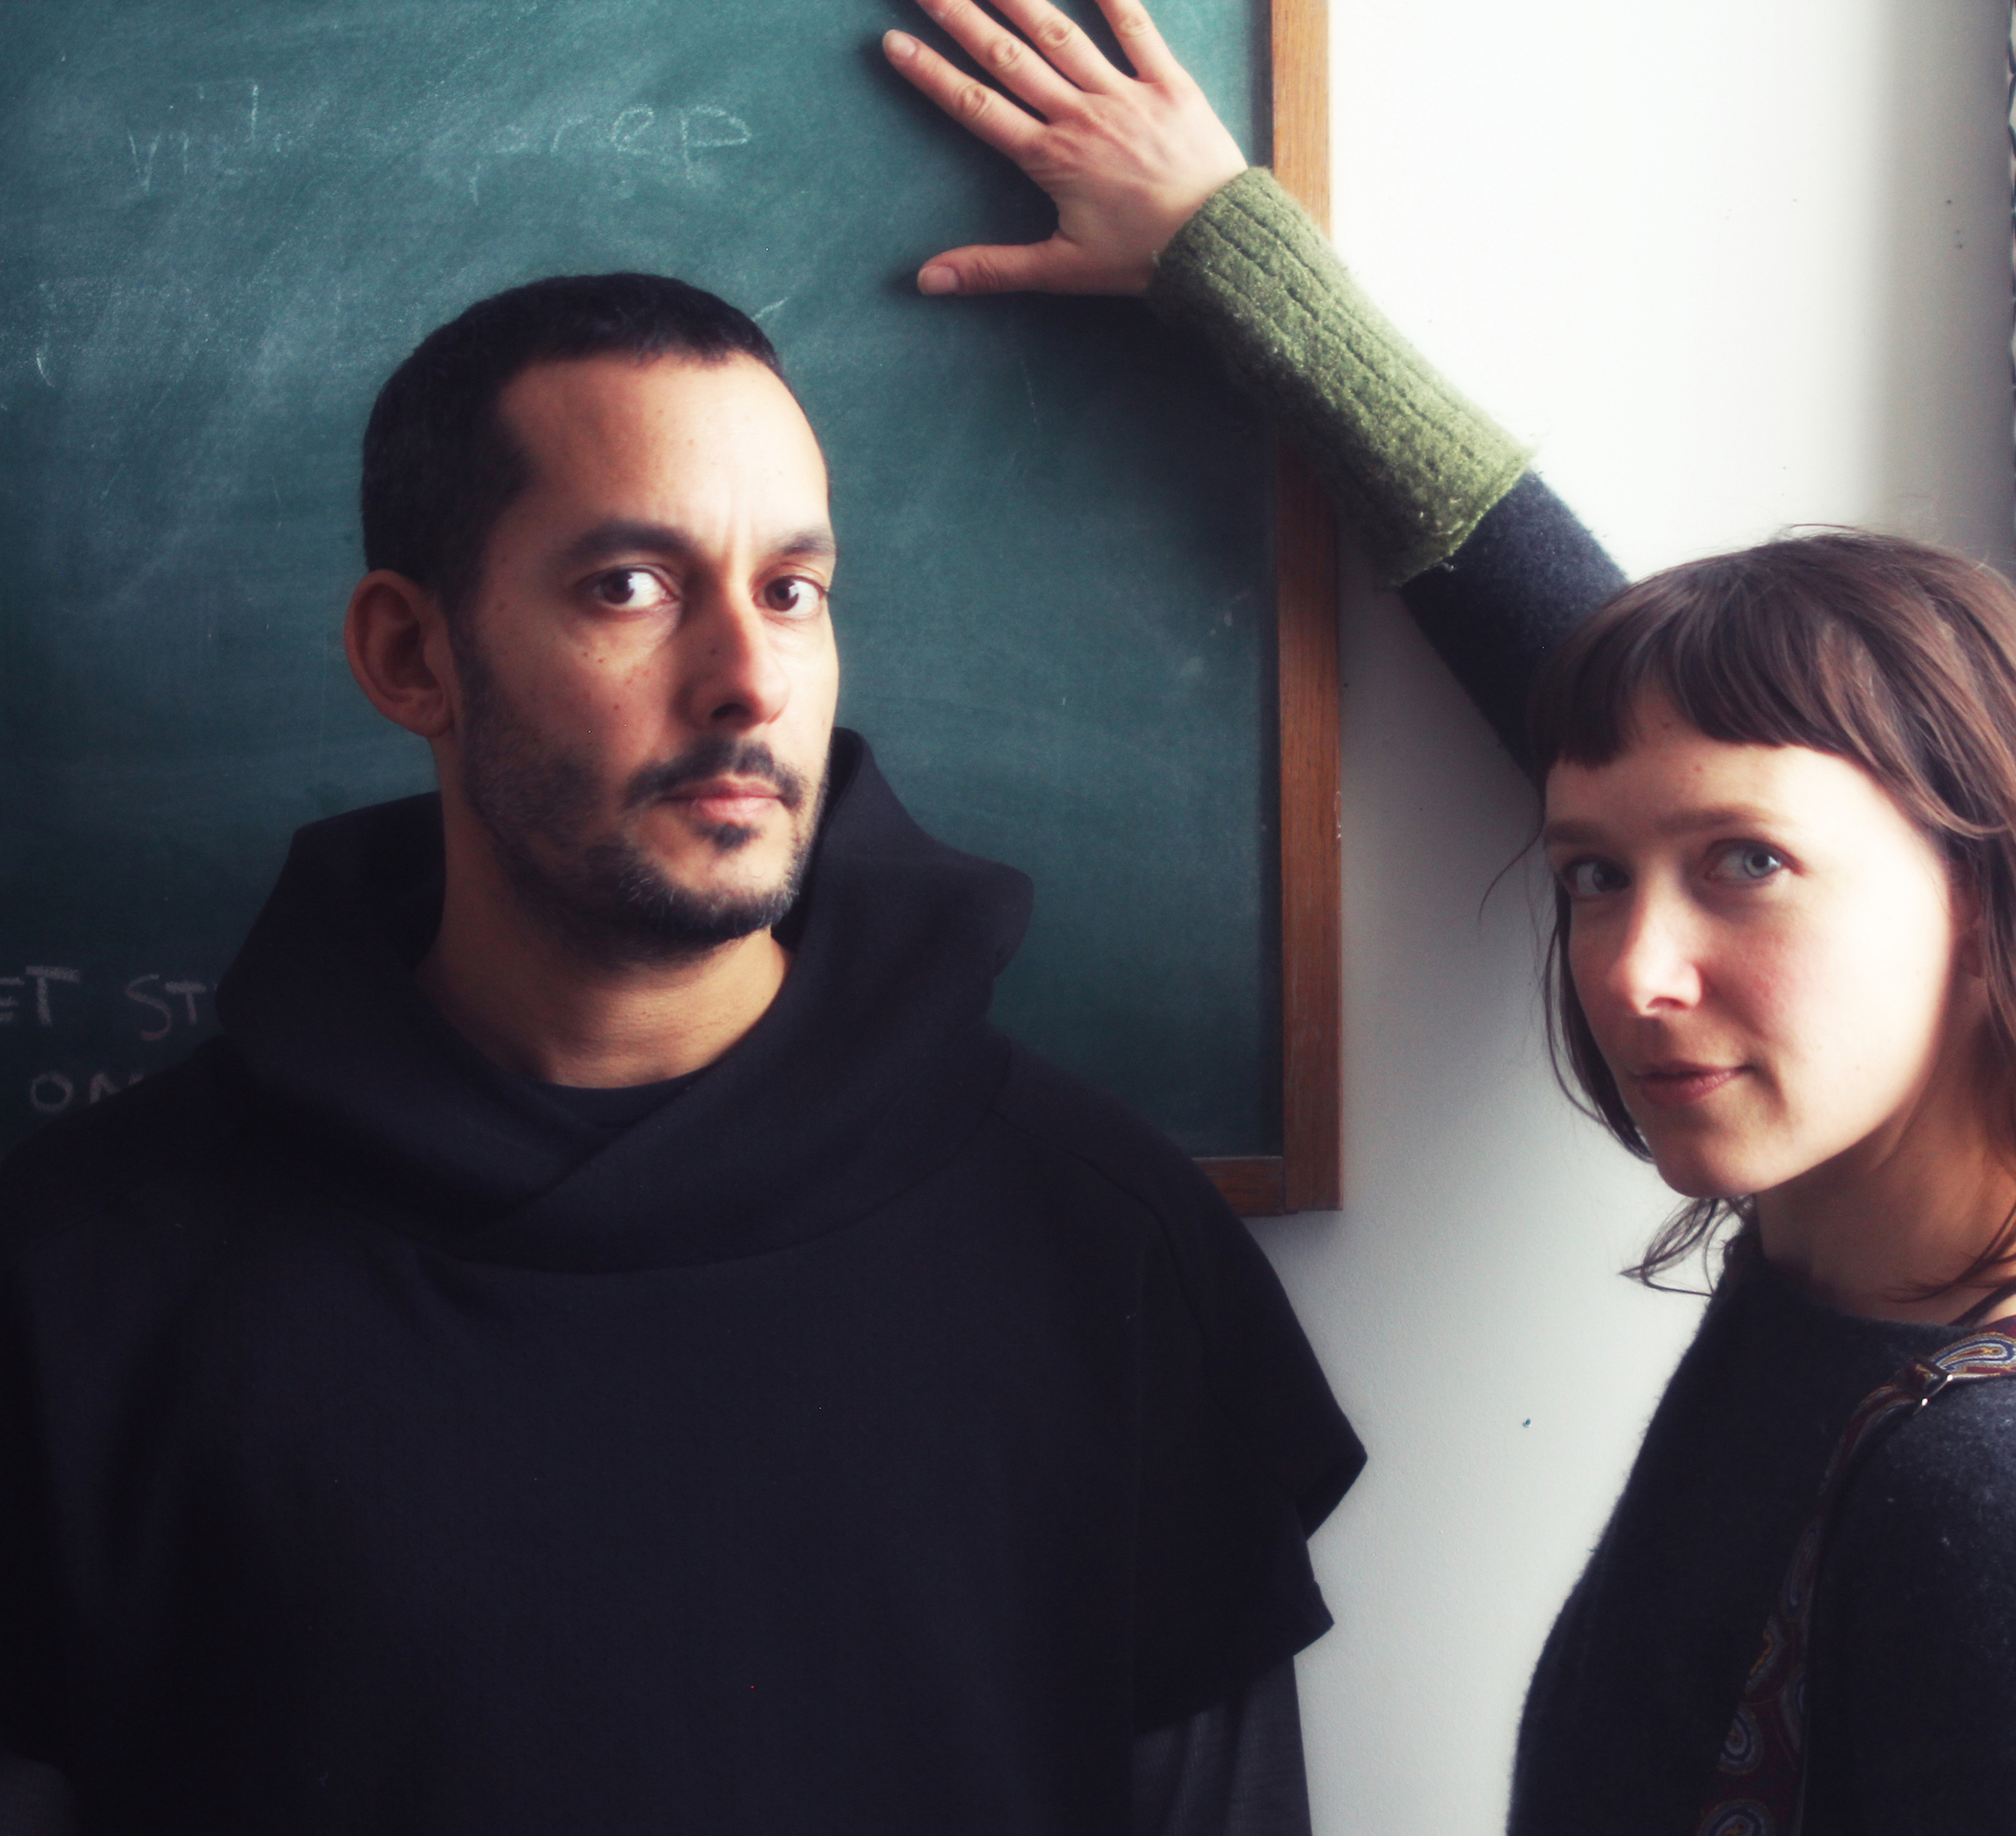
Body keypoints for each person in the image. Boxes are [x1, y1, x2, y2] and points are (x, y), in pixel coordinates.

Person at [883, 0, 2016, 1829]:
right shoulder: (1864, 1247)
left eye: (1746, 866)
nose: (1633, 973)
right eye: (1592, 876)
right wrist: (1225, 252)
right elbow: (1590, 669)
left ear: (1993, 887)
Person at [0, 276, 1363, 1831]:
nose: (749, 680)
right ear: (409, 653)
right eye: (632, 586)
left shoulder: (1100, 1239)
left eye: (792, 590)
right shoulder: (83, 1272)